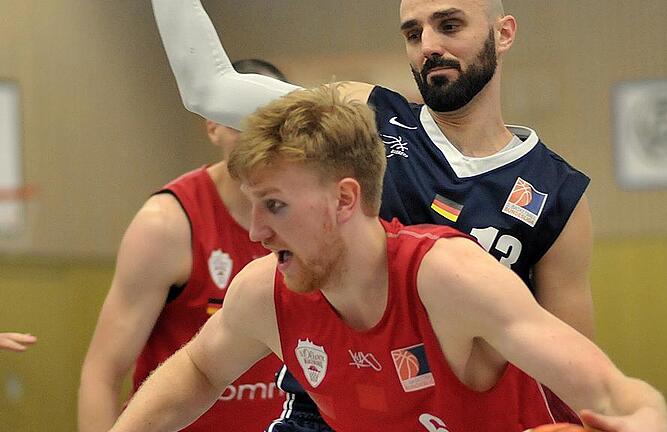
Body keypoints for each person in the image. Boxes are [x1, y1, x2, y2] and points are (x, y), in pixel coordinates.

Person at [108, 86, 667, 432]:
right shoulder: (264, 292)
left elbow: (613, 393)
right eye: (254, 206)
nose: (255, 232)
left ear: (345, 199)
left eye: (274, 206)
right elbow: (199, 371)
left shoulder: (450, 278)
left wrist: (646, 417)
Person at [150, 1, 593, 428]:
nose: (429, 45)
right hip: (329, 409)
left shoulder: (556, 193)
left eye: (450, 26)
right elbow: (208, 89)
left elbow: (571, 377)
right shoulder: (363, 117)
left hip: (456, 417)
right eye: (413, 33)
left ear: (503, 33)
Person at [77, 60, 289, 432]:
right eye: (238, 119)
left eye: (268, 121)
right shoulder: (167, 225)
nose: (255, 134)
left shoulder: (309, 218)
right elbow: (102, 372)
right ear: (212, 126)